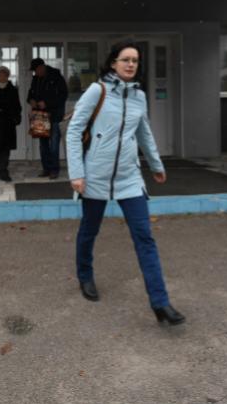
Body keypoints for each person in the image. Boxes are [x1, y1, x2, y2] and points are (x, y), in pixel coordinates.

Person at [66, 41, 186, 327]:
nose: (131, 64)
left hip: (129, 177)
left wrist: (156, 165)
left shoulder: (139, 96)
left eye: (135, 60)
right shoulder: (97, 91)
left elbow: (144, 133)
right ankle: (85, 275)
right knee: (89, 230)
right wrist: (76, 173)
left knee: (144, 237)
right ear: (113, 63)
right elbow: (74, 130)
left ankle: (160, 302)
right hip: (95, 175)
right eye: (126, 59)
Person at [27, 57, 68, 179]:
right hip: (40, 116)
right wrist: (31, 100)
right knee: (43, 144)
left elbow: (63, 95)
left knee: (54, 144)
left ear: (42, 67)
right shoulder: (36, 79)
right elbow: (30, 94)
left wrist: (47, 103)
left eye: (36, 70)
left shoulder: (56, 76)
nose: (35, 73)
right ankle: (46, 169)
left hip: (55, 115)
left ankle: (54, 170)